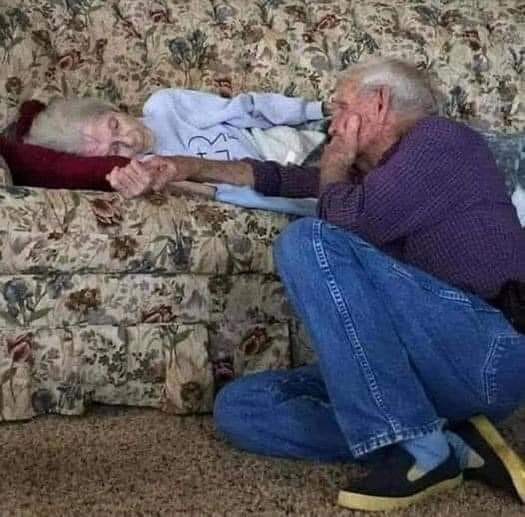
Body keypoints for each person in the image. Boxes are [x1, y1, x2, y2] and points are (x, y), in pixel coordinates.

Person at [122, 57, 525, 512]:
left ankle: (423, 451)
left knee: (309, 241)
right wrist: (183, 166)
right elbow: (282, 178)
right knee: (242, 409)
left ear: (379, 103)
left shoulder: (440, 141)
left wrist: (335, 162)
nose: (333, 123)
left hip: (488, 349)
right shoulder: (374, 175)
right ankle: (450, 438)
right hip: (428, 371)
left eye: (340, 105)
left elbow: (344, 221)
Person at [23, 88, 329, 215]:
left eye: (115, 126)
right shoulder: (148, 172)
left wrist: (315, 109)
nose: (128, 141)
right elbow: (220, 195)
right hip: (291, 197)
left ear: (113, 109)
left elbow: (246, 109)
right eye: (115, 149)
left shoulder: (164, 105)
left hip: (297, 148)